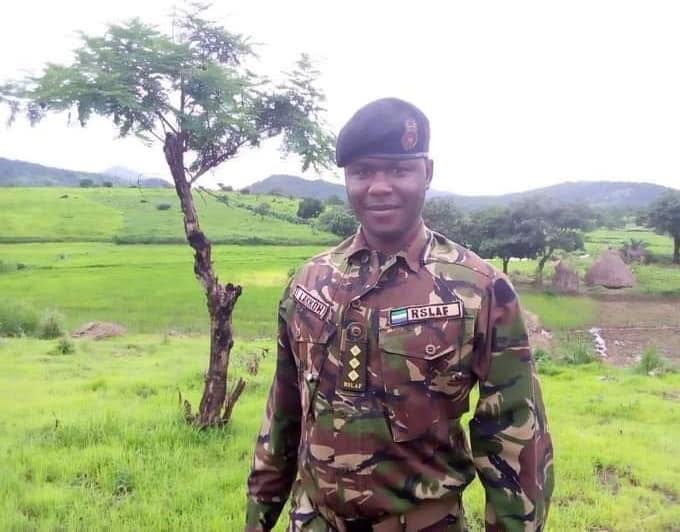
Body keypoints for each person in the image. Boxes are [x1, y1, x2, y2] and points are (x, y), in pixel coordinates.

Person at [246, 98, 554, 531]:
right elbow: (283, 415)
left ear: (427, 172)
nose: (379, 187)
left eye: (398, 170)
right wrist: (257, 520)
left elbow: (514, 433)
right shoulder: (309, 282)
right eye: (362, 172)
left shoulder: (479, 289)